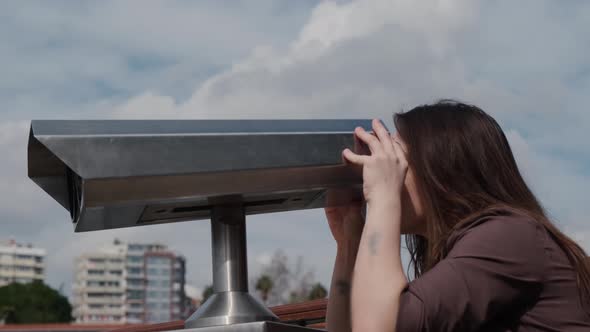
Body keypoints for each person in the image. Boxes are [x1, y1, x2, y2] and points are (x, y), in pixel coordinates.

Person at [325, 100, 590, 331]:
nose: (387, 170)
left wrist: (383, 198)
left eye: (397, 159)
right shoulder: (480, 249)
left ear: (441, 169)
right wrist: (349, 242)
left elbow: (378, 329)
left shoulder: (509, 235)